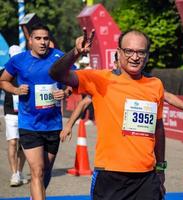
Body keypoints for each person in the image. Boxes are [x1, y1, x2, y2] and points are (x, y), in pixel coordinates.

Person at [50, 29, 166, 200]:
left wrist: (161, 168)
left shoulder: (155, 85)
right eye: (129, 51)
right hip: (110, 176)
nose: (135, 57)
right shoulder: (100, 79)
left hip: (146, 178)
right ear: (118, 53)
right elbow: (57, 74)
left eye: (141, 52)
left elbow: (158, 128)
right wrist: (76, 53)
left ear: (147, 55)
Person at [0, 23, 65, 200]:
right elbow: (3, 80)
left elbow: (74, 83)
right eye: (38, 38)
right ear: (30, 41)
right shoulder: (18, 60)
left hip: (53, 124)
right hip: (29, 124)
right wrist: (16, 90)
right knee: (37, 171)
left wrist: (65, 92)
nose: (43, 42)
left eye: (46, 38)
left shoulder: (59, 57)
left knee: (45, 171)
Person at [0, 45, 28, 187]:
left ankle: (20, 171)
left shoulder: (26, 71)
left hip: (25, 112)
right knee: (12, 142)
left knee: (23, 145)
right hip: (10, 113)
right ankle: (14, 173)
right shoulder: (3, 73)